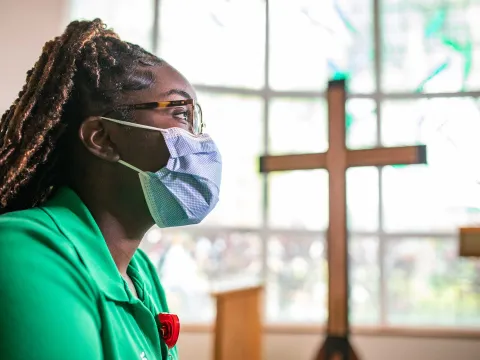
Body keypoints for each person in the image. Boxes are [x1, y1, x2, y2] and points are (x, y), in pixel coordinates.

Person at [0, 19, 221, 360]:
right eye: (180, 115)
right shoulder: (25, 253)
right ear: (102, 138)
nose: (200, 141)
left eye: (197, 122)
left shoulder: (140, 272)